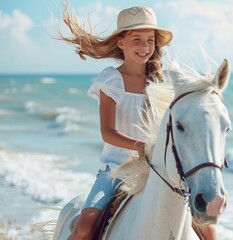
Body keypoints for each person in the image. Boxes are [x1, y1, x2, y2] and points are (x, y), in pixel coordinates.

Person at [58, 4, 217, 240]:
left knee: (207, 227)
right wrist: (140, 146)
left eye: (150, 40)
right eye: (136, 39)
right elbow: (108, 133)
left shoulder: (161, 80)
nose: (144, 47)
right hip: (117, 170)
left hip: (158, 169)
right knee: (83, 230)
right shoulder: (112, 79)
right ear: (121, 42)